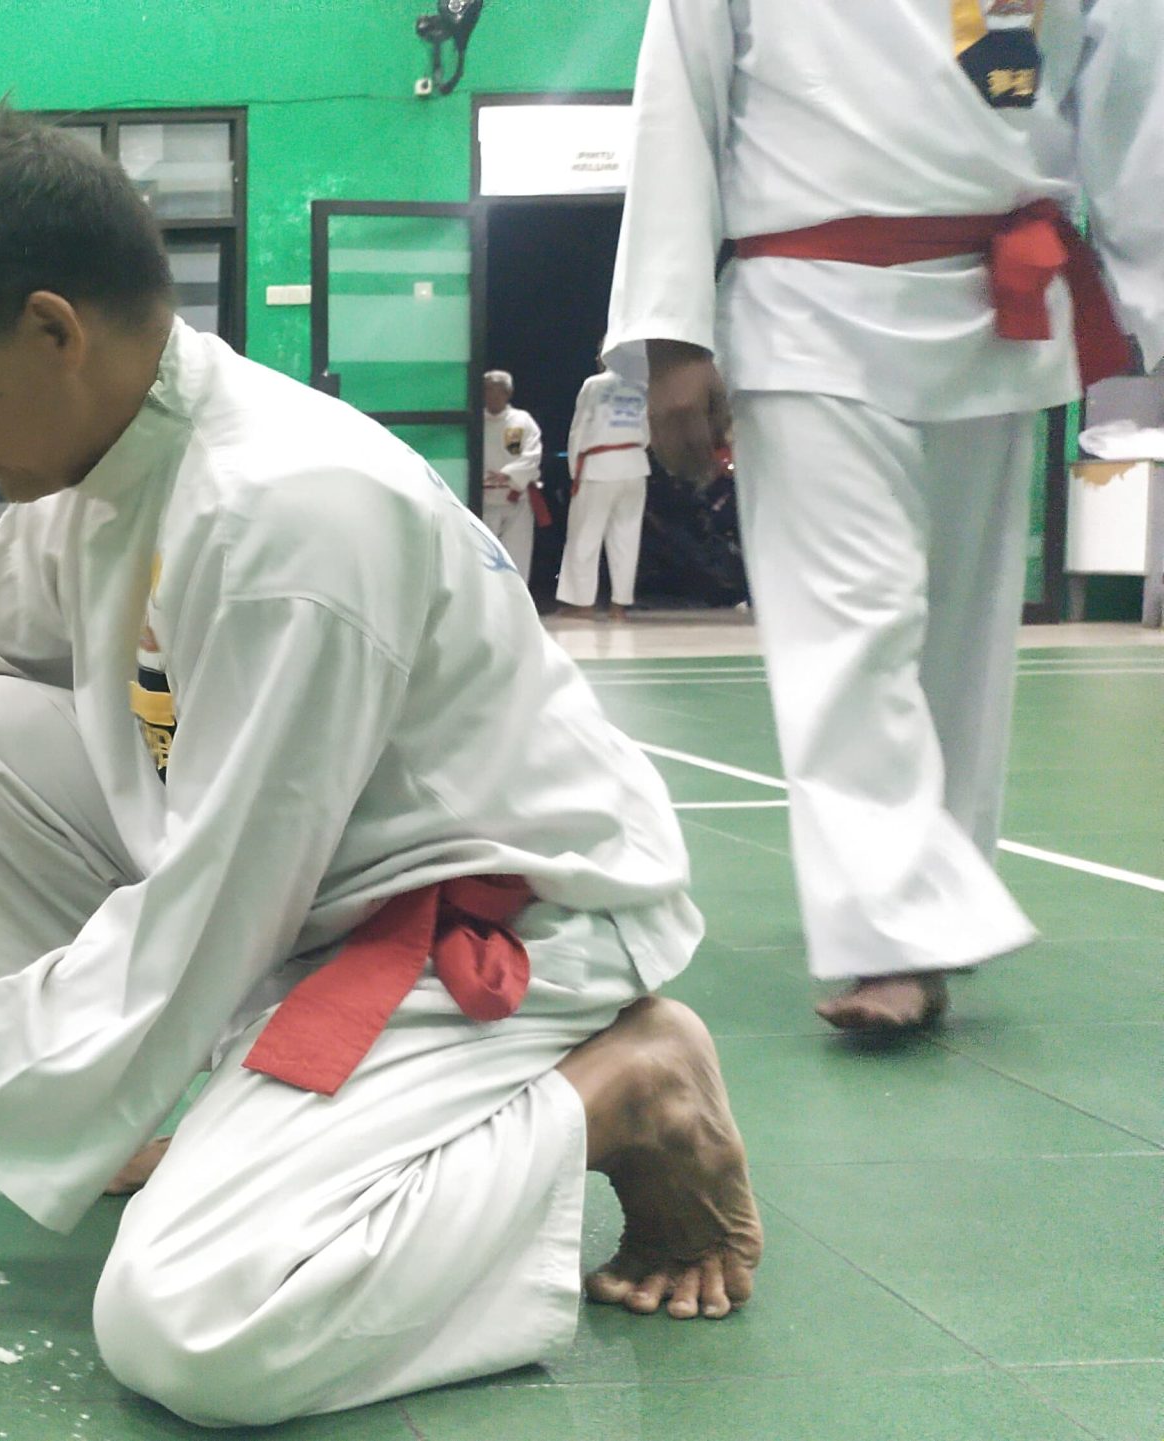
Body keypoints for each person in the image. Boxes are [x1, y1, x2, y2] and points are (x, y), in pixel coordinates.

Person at [0, 107, 760, 1428]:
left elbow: (216, 907)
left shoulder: (289, 518)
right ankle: (141, 1115)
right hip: (305, 895)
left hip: (491, 924)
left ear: (55, 331)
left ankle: (621, 1092)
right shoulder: (109, 471)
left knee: (189, 1322)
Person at [607, 0, 1160, 1031]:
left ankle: (932, 897)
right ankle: (897, 935)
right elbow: (675, 104)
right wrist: (670, 332)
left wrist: (1151, 308)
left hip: (999, 304)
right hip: (803, 303)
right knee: (850, 626)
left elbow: (1135, 101)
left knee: (959, 635)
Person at [555, 367, 653, 620]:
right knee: (627, 538)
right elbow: (647, 428)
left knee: (585, 536)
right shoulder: (642, 384)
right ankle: (619, 606)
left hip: (599, 465)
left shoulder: (594, 384)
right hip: (634, 464)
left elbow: (579, 428)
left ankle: (583, 603)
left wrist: (575, 470)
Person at [480, 370, 544, 575]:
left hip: (516, 496)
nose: (493, 395)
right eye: (488, 390)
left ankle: (517, 601)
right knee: (483, 556)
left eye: (499, 391)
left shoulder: (522, 420)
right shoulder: (475, 422)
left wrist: (509, 473)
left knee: (517, 555)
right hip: (484, 498)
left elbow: (533, 454)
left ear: (508, 394)